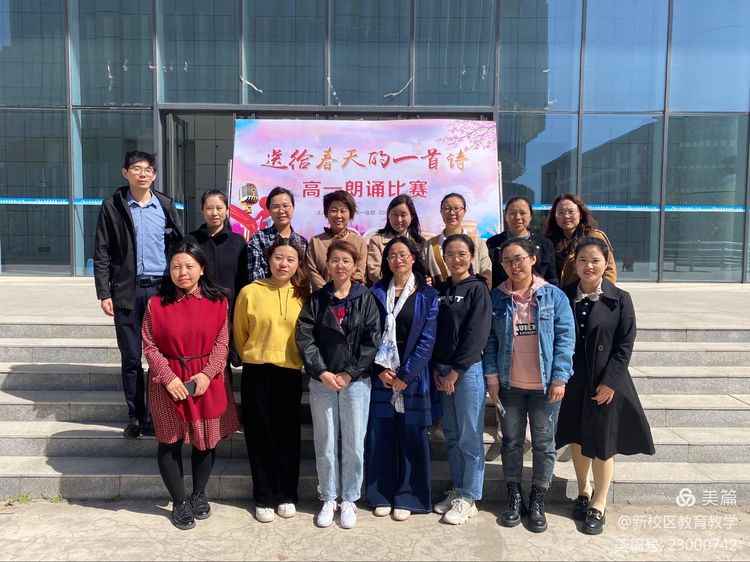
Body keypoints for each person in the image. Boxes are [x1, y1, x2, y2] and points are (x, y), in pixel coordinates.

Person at [556, 237, 654, 535]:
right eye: (583, 260)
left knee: (602, 443)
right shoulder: (563, 295)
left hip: (606, 382)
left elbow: (625, 345)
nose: (589, 266)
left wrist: (610, 382)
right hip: (573, 379)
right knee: (577, 437)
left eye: (595, 260)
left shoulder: (620, 298)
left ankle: (599, 502)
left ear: (606, 263)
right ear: (575, 263)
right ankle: (583, 491)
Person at [141, 242, 240, 530]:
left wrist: (207, 374)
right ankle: (179, 501)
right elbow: (149, 345)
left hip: (205, 382)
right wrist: (168, 377)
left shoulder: (219, 302)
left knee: (206, 440)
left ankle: (199, 494)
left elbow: (222, 344)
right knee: (169, 441)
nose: (182, 272)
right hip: (167, 383)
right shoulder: (156, 304)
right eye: (176, 266)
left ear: (202, 269)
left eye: (188, 266)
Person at [483, 238, 575, 533]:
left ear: (533, 259)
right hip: (509, 386)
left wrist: (560, 377)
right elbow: (490, 341)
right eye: (507, 261)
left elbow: (565, 339)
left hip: (545, 387)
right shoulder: (497, 298)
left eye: (519, 258)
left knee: (544, 445)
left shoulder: (553, 296)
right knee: (511, 442)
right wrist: (492, 378)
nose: (514, 265)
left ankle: (538, 499)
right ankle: (514, 496)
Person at [94, 150, 184, 438]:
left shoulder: (165, 205)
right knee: (132, 357)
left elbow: (179, 248)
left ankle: (159, 413)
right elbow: (102, 252)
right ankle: (136, 416)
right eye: (136, 168)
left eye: (148, 169)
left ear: (154, 175)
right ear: (125, 173)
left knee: (163, 356)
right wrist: (104, 292)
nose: (142, 174)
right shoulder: (113, 206)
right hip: (127, 291)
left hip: (161, 290)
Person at [296, 240, 381, 529]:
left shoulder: (365, 298)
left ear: (355, 265)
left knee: (354, 442)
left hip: (355, 382)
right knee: (326, 441)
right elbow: (305, 337)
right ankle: (329, 497)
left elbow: (372, 339)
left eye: (346, 260)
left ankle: (350, 498)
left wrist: (350, 373)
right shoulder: (317, 299)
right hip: (323, 381)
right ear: (327, 265)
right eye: (335, 260)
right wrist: (321, 371)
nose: (340, 265)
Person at [234, 238, 311, 523]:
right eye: (279, 258)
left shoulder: (303, 294)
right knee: (259, 435)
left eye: (290, 259)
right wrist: (251, 354)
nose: (283, 264)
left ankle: (287, 493)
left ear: (298, 264)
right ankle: (263, 496)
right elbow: (240, 332)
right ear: (269, 260)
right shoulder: (250, 292)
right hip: (257, 372)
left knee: (287, 435)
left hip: (289, 373)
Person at [366, 237, 438, 520]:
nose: (398, 260)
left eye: (403, 254)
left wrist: (406, 374)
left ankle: (409, 497)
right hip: (381, 376)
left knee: (412, 436)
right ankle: (381, 494)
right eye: (392, 255)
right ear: (386, 261)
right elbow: (367, 334)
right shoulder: (375, 292)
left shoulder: (427, 295)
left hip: (413, 377)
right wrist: (378, 369)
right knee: (380, 435)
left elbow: (427, 339)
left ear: (413, 258)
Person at [431, 234, 492, 525]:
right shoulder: (441, 289)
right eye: (450, 254)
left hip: (466, 372)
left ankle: (470, 497)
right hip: (442, 371)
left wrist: (456, 371)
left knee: (470, 436)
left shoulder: (478, 289)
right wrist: (437, 368)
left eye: (462, 254)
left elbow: (476, 334)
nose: (456, 259)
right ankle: (458, 488)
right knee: (453, 435)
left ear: (471, 256)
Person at [185, 190, 248, 366]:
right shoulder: (191, 240)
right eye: (209, 208)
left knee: (224, 357)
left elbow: (243, 280)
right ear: (202, 211)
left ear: (227, 210)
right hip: (197, 307)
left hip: (228, 309)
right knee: (199, 356)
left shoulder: (237, 241)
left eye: (219, 208)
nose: (214, 213)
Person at [421, 193, 492, 290]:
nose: (451, 213)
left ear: (464, 211)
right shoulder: (429, 246)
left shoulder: (478, 243)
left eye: (456, 208)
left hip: (472, 296)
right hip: (440, 298)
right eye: (446, 209)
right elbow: (423, 276)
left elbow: (486, 276)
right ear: (441, 212)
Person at [543, 194, 617, 287]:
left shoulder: (594, 236)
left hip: (588, 293)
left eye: (571, 211)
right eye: (560, 212)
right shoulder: (548, 241)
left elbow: (609, 271)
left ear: (581, 214)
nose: (566, 216)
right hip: (558, 294)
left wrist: (601, 292)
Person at [487, 197, 558, 288]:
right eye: (513, 213)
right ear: (506, 216)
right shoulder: (493, 243)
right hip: (503, 294)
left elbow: (552, 277)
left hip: (539, 294)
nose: (518, 217)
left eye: (523, 213)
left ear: (531, 216)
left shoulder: (544, 244)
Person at [306, 190, 367, 291]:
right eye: (334, 210)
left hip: (352, 297)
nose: (338, 215)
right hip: (322, 297)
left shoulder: (359, 242)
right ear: (326, 213)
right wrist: (327, 293)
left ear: (350, 214)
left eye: (343, 211)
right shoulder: (316, 242)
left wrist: (345, 293)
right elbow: (312, 272)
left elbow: (359, 272)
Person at [247, 186, 309, 282]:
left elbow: (303, 275)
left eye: (285, 206)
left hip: (295, 291)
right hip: (265, 290)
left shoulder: (302, 242)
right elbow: (255, 278)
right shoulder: (258, 239)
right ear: (269, 210)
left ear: (293, 208)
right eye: (275, 207)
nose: (281, 211)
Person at [366, 194, 426, 284]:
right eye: (395, 214)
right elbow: (374, 272)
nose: (399, 219)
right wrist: (399, 283)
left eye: (403, 215)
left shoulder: (420, 242)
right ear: (388, 215)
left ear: (412, 216)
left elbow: (423, 270)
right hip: (386, 288)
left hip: (415, 289)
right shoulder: (377, 240)